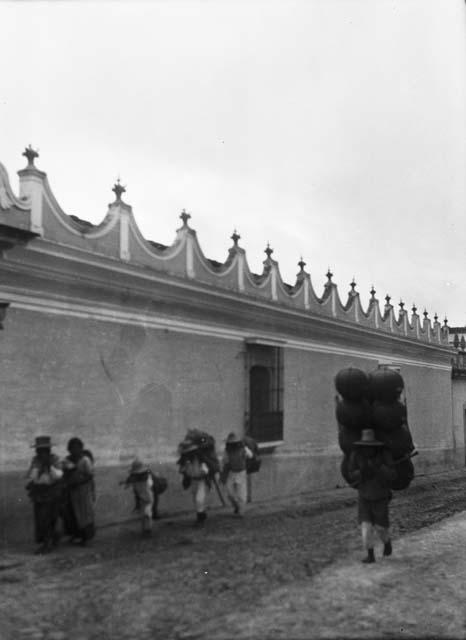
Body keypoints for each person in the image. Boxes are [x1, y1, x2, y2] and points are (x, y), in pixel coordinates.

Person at [347, 428, 396, 563]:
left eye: (370, 447)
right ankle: (370, 555)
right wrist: (362, 472)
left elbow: (393, 474)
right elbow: (351, 473)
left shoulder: (384, 455)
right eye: (365, 447)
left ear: (375, 446)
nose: (368, 450)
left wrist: (380, 468)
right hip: (364, 496)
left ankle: (387, 543)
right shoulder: (356, 455)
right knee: (366, 529)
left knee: (381, 528)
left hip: (381, 496)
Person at [26, 436, 64, 554]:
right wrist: (39, 469)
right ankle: (47, 542)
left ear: (48, 450)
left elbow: (58, 475)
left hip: (53, 492)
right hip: (40, 492)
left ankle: (51, 541)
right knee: (42, 518)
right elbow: (32, 477)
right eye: (39, 450)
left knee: (51, 517)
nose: (41, 453)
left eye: (44, 450)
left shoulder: (54, 459)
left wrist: (49, 466)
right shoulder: (35, 461)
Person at [61, 437, 95, 546]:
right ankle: (77, 535)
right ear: (69, 449)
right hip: (72, 491)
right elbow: (64, 474)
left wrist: (79, 482)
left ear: (81, 448)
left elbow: (90, 476)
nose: (74, 450)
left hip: (84, 490)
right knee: (75, 513)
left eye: (77, 448)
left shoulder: (85, 460)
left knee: (85, 513)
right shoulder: (67, 460)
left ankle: (86, 538)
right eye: (72, 448)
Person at [220, 432, 253, 516]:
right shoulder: (227, 450)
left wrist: (246, 454)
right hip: (231, 472)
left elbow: (250, 455)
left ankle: (241, 511)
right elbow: (224, 461)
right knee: (229, 492)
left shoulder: (243, 448)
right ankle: (237, 506)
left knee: (241, 493)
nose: (232, 444)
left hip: (241, 472)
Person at [179, 444, 211, 525]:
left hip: (201, 481)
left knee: (199, 499)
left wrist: (202, 474)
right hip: (193, 481)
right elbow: (183, 470)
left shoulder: (200, 459)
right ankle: (202, 514)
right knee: (195, 499)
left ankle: (200, 518)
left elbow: (205, 470)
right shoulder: (186, 461)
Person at [122, 458, 154, 536]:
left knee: (144, 514)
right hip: (148, 497)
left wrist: (128, 482)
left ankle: (146, 530)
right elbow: (150, 484)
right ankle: (147, 530)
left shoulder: (133, 478)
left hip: (142, 498)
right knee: (147, 514)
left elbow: (126, 486)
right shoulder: (147, 476)